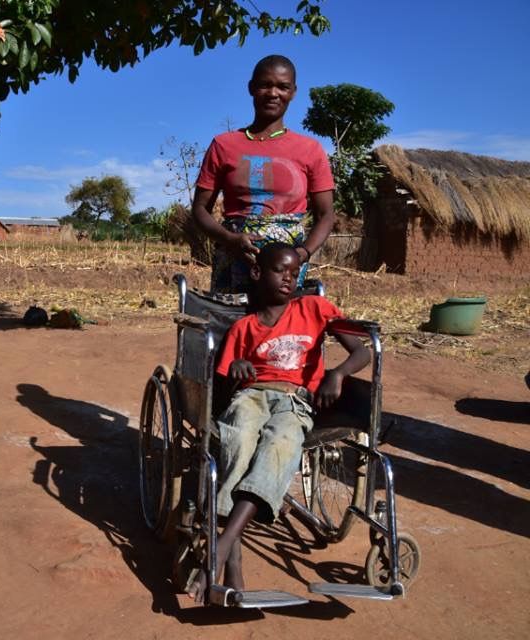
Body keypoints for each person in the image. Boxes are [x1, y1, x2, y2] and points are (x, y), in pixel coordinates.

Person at [187, 243, 370, 600]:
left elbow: (362, 351)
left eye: (294, 272)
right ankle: (233, 558)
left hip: (295, 400)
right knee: (238, 440)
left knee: (281, 444)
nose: (288, 278)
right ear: (257, 273)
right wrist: (237, 371)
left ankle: (221, 548)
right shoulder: (243, 327)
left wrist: (337, 374)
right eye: (279, 271)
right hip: (251, 396)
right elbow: (224, 387)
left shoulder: (314, 308)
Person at [191, 55, 336, 298]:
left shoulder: (310, 150)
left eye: (282, 86)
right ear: (251, 88)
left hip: (288, 266)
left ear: (293, 92)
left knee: (282, 331)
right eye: (264, 85)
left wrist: (302, 254)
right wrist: (230, 240)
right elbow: (199, 210)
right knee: (231, 326)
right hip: (233, 258)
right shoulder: (224, 145)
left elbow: (326, 214)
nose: (273, 93)